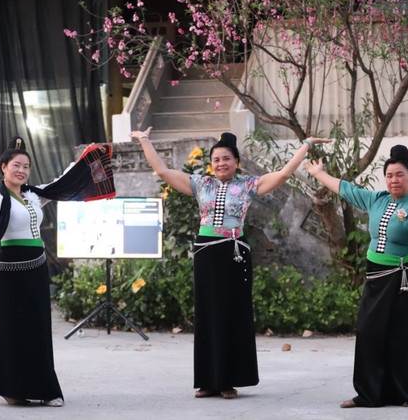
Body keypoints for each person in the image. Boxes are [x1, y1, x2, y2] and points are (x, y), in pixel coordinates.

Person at [130, 126, 330, 399]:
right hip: (207, 253)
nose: (221, 163)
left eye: (226, 158)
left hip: (234, 254)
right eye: (216, 160)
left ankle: (228, 380)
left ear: (236, 162)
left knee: (232, 315)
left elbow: (283, 174)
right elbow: (163, 172)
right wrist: (144, 140)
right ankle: (207, 381)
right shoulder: (202, 184)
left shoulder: (248, 185)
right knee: (207, 315)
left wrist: (305, 144)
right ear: (211, 165)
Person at [0, 136, 115, 407]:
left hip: (37, 268)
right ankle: (11, 389)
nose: (22, 170)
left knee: (39, 328)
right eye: (16, 165)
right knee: (14, 330)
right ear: (3, 167)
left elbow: (62, 184)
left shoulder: (34, 195)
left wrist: (84, 161)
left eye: (26, 166)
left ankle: (46, 389)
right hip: (11, 269)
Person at [303, 144, 408, 408]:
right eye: (389, 175)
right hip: (376, 276)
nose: (393, 180)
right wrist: (319, 174)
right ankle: (368, 394)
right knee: (369, 332)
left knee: (403, 335)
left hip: (403, 278)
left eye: (399, 175)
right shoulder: (377, 199)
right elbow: (346, 189)